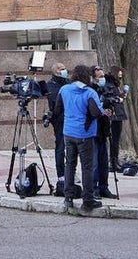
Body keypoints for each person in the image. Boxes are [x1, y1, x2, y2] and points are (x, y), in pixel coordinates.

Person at [56, 64, 104, 211]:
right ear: (87, 76)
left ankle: (68, 197)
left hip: (68, 133)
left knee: (70, 165)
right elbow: (96, 113)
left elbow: (57, 110)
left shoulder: (64, 90)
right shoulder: (89, 93)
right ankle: (87, 200)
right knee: (87, 167)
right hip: (85, 134)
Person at [90, 66, 118, 199]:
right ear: (93, 79)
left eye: (103, 76)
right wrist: (101, 111)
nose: (102, 79)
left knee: (104, 162)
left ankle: (104, 187)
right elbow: (91, 111)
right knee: (94, 163)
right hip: (93, 131)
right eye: (99, 77)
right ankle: (93, 188)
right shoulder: (90, 91)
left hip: (104, 130)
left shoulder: (105, 90)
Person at [45, 62, 69, 195]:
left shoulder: (68, 83)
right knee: (60, 147)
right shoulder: (51, 85)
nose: (64, 71)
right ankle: (61, 174)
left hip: (71, 119)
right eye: (61, 69)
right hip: (59, 120)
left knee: (71, 148)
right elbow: (56, 101)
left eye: (64, 68)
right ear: (55, 72)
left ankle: (70, 172)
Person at [105, 65, 128, 169]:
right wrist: (119, 98)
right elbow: (110, 99)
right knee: (114, 139)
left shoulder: (114, 85)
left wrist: (122, 95)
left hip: (117, 114)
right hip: (114, 115)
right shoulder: (110, 85)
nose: (120, 76)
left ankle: (114, 160)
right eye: (119, 74)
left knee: (116, 139)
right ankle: (113, 162)